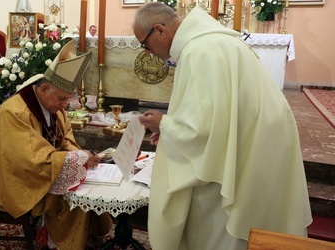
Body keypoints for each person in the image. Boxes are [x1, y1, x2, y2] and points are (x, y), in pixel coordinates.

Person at [133, 3, 312, 250]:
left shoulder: (198, 51)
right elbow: (217, 115)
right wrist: (169, 129)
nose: (149, 53)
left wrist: (165, 123)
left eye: (145, 45)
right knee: (259, 222)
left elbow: (201, 132)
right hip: (263, 140)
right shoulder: (217, 41)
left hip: (247, 147)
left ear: (160, 30)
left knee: (224, 225)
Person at [0, 40, 113, 249]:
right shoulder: (16, 113)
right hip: (6, 177)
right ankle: (65, 244)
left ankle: (86, 234)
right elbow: (30, 160)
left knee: (85, 185)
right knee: (75, 197)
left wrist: (78, 155)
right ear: (44, 88)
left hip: (28, 169)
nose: (65, 106)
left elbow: (65, 139)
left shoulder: (53, 106)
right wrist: (78, 159)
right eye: (62, 99)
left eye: (67, 100)